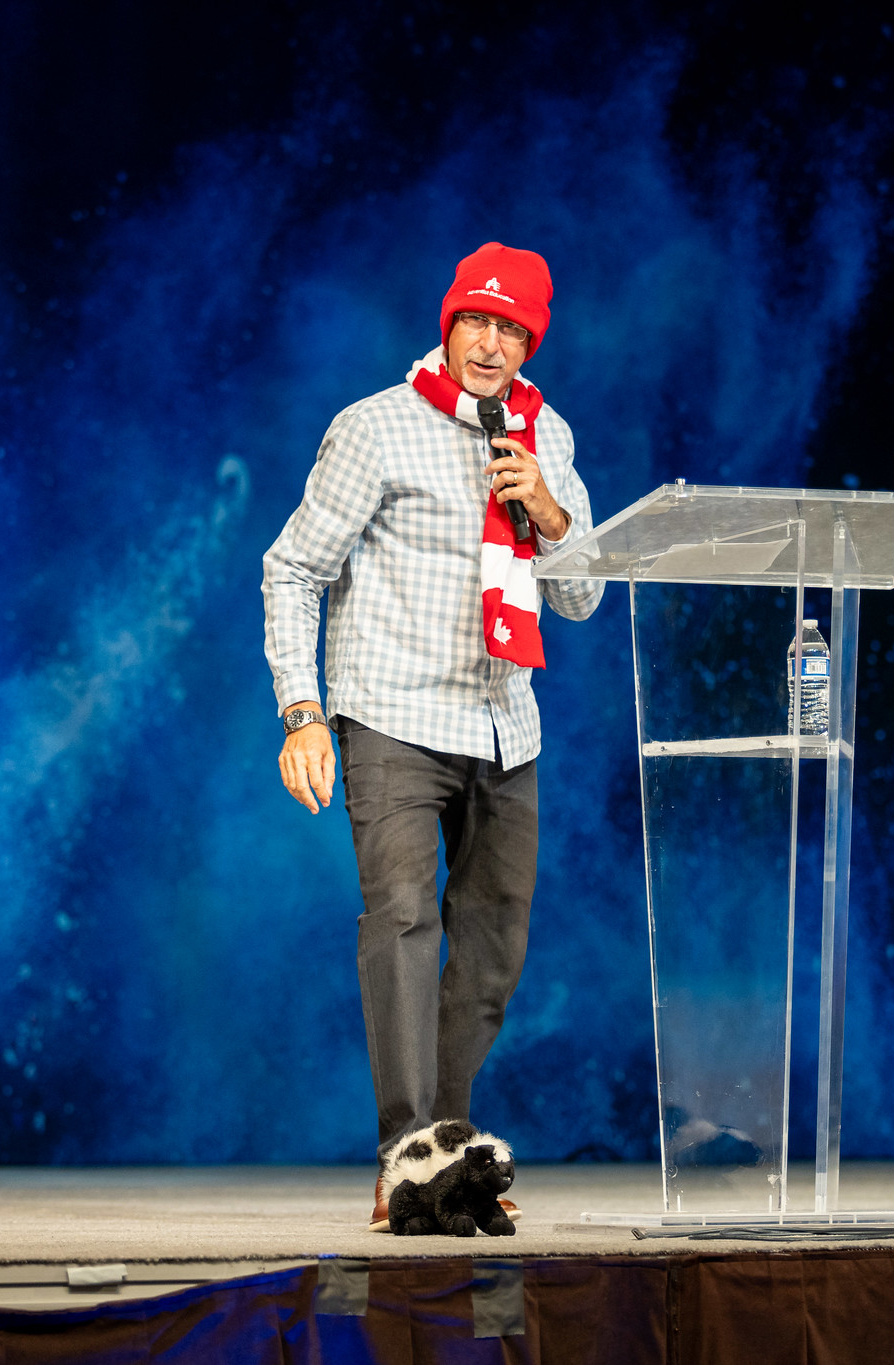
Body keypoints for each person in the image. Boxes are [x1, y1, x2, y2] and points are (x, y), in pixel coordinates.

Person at [262, 242, 604, 1228]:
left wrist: (545, 510)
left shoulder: (549, 439)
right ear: (447, 321)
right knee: (404, 923)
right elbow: (293, 570)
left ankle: (444, 1152)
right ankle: (405, 1152)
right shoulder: (374, 428)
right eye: (475, 321)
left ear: (528, 339)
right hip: (393, 718)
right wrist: (302, 712)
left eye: (510, 328)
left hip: (505, 726)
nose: (490, 343)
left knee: (492, 946)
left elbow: (577, 597)